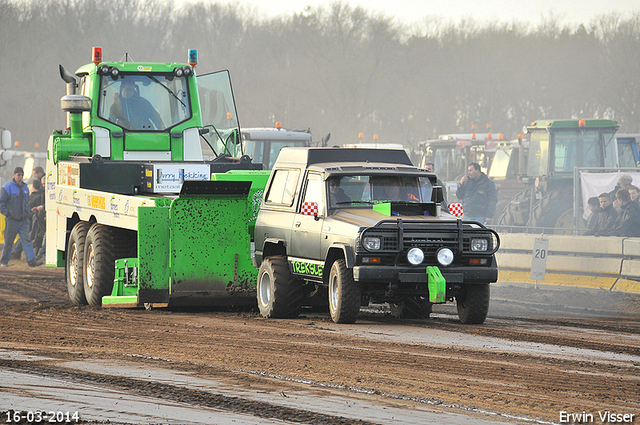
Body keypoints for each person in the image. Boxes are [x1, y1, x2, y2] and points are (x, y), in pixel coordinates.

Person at [0, 167, 43, 267]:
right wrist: (8, 213)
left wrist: (28, 211)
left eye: (21, 175)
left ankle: (31, 261)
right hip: (12, 220)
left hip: (23, 220)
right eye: (18, 175)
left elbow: (26, 203)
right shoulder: (7, 187)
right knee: (9, 242)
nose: (20, 177)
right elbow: (1, 202)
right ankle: (4, 261)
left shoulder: (25, 188)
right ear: (14, 175)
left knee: (26, 240)